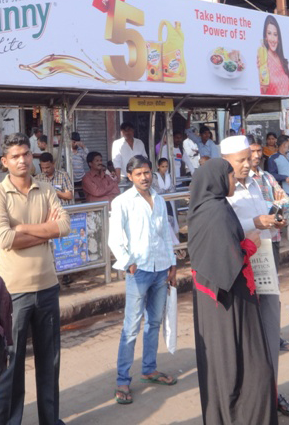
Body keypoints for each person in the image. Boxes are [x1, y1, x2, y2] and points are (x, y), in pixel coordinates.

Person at [0, 133, 71, 425]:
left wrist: (23, 227)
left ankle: (51, 419)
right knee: (11, 365)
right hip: (15, 292)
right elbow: (5, 239)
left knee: (50, 362)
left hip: (47, 286)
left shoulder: (45, 189)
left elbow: (64, 226)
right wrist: (43, 229)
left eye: (26, 154)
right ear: (5, 161)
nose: (22, 160)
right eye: (15, 156)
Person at [187, 158, 279, 425]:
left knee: (225, 366)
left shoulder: (206, 208)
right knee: (247, 367)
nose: (233, 181)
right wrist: (249, 244)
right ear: (217, 179)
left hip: (217, 299)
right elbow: (227, 260)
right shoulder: (216, 212)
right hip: (230, 300)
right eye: (229, 176)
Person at [225, 136, 289, 418]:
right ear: (226, 161)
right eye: (242, 160)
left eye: (251, 157)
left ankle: (272, 393)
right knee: (244, 341)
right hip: (238, 271)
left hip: (265, 263)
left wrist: (275, 217)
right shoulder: (222, 191)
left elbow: (266, 220)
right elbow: (222, 228)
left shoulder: (258, 183)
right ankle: (249, 401)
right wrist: (256, 222)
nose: (249, 163)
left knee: (270, 331)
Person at [108, 156, 177, 404]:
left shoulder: (158, 199)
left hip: (160, 268)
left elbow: (165, 234)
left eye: (147, 172)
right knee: (130, 328)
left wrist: (172, 263)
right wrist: (129, 262)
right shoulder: (122, 202)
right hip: (139, 271)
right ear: (130, 176)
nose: (145, 177)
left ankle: (149, 369)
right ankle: (123, 381)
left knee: (154, 322)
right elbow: (115, 239)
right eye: (139, 174)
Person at [257, 14, 289, 96]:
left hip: (285, 107)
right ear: (265, 36)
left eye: (275, 34)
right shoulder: (262, 58)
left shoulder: (283, 61)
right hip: (267, 106)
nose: (273, 39)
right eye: (269, 33)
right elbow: (261, 92)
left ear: (279, 37)